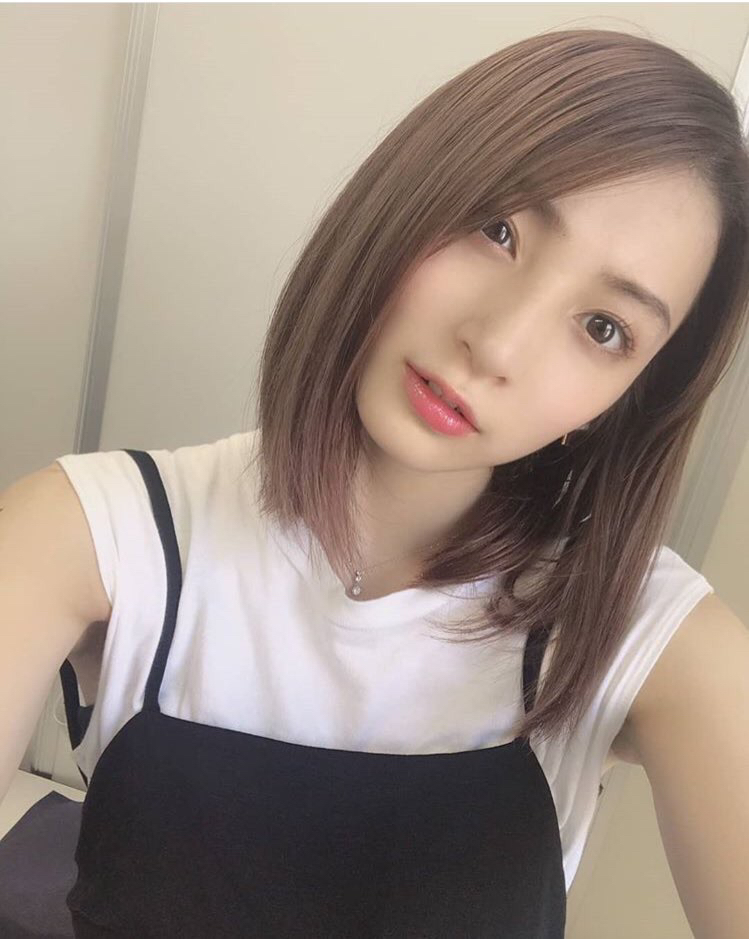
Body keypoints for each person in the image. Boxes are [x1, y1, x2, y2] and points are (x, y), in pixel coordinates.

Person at [31, 27, 749, 938]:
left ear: (619, 400)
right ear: (410, 194)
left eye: (602, 327)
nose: (496, 344)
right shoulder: (88, 534)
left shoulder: (642, 632)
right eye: (498, 230)